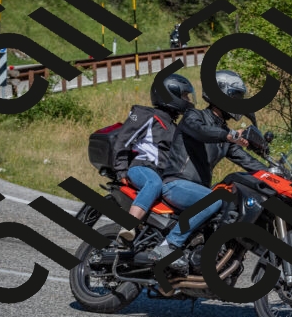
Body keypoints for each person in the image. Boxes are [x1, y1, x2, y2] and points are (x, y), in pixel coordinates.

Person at [148, 70, 268, 271]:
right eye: (235, 97)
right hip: (176, 184)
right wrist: (230, 135)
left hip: (198, 191)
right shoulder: (194, 116)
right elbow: (202, 132)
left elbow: (248, 161)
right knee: (217, 199)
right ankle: (168, 246)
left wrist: (274, 174)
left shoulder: (224, 136)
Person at [111, 73, 196, 241]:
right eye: (185, 96)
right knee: (153, 183)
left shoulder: (174, 127)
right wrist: (121, 169)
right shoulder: (148, 116)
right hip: (142, 167)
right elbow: (123, 139)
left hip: (162, 175)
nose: (188, 100)